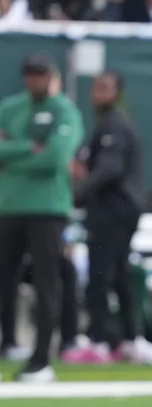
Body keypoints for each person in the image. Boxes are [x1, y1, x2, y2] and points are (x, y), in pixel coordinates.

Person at [0, 54, 83, 383]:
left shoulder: (64, 110)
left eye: (41, 75)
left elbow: (56, 157)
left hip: (48, 207)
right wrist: (29, 148)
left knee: (47, 281)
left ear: (51, 76)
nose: (36, 81)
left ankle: (41, 358)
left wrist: (13, 152)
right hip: (9, 205)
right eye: (31, 75)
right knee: (4, 279)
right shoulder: (11, 107)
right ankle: (8, 342)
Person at [66, 71, 152, 365]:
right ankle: (129, 340)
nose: (98, 93)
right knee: (119, 276)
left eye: (106, 88)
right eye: (96, 87)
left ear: (118, 93)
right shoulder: (107, 124)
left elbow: (109, 169)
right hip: (119, 209)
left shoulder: (114, 126)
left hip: (113, 210)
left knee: (100, 276)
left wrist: (77, 192)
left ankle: (100, 342)